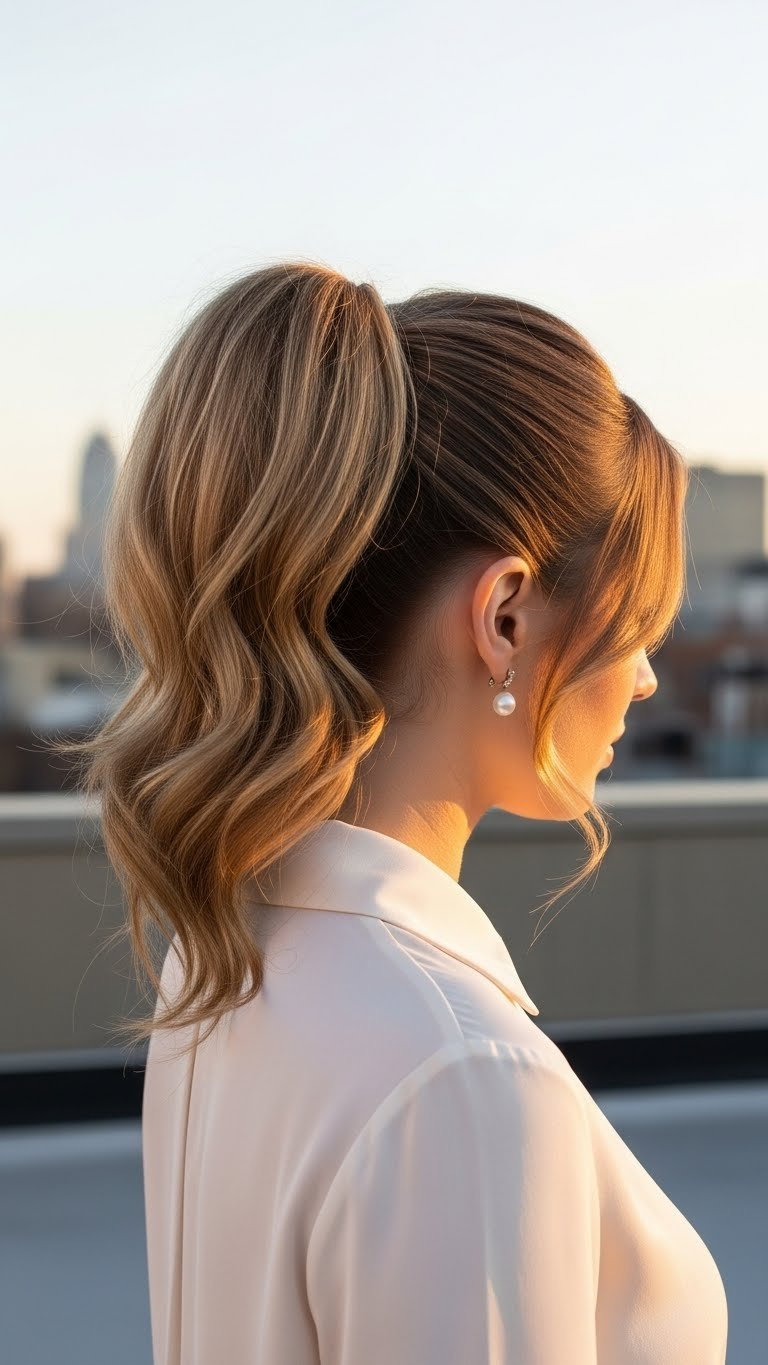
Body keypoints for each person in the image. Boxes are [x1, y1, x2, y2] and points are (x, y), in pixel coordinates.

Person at [62, 262, 728, 1361]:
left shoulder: (221, 951)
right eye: (638, 624)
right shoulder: (461, 1077)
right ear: (506, 617)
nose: (650, 676)